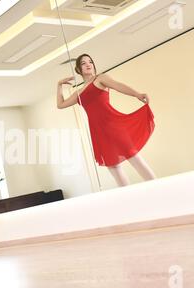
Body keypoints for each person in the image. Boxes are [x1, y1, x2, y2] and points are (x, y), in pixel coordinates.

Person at [57, 53, 156, 187]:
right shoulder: (78, 92)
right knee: (113, 167)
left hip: (114, 125)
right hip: (99, 133)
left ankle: (158, 188)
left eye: (90, 62)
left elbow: (118, 85)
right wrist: (59, 85)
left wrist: (136, 94)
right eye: (83, 63)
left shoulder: (100, 79)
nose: (88, 65)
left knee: (133, 157)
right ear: (79, 70)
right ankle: (129, 199)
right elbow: (61, 104)